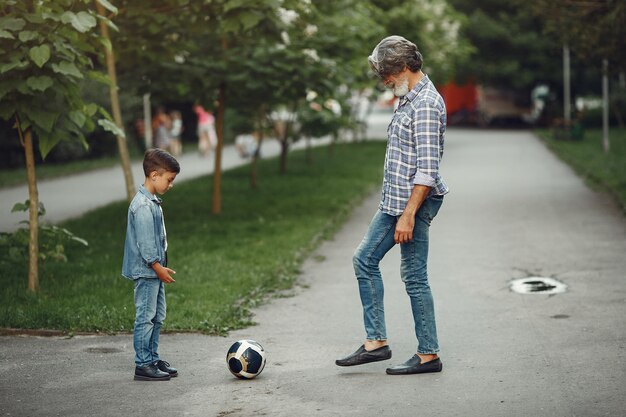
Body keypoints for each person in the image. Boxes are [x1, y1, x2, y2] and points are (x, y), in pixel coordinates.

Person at [335, 36, 449, 375]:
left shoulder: (425, 103)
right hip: (396, 203)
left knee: (410, 276)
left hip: (411, 205)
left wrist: (408, 215)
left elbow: (428, 169)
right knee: (368, 261)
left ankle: (424, 354)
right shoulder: (407, 97)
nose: (384, 81)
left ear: (402, 68)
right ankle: (378, 343)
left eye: (386, 74)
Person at [122, 149, 181, 381]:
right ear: (154, 175)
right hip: (147, 272)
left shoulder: (152, 201)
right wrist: (158, 268)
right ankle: (143, 364)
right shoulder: (143, 206)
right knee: (145, 317)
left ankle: (153, 357)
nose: (171, 184)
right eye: (170, 179)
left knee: (158, 316)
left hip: (154, 272)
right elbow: (146, 247)